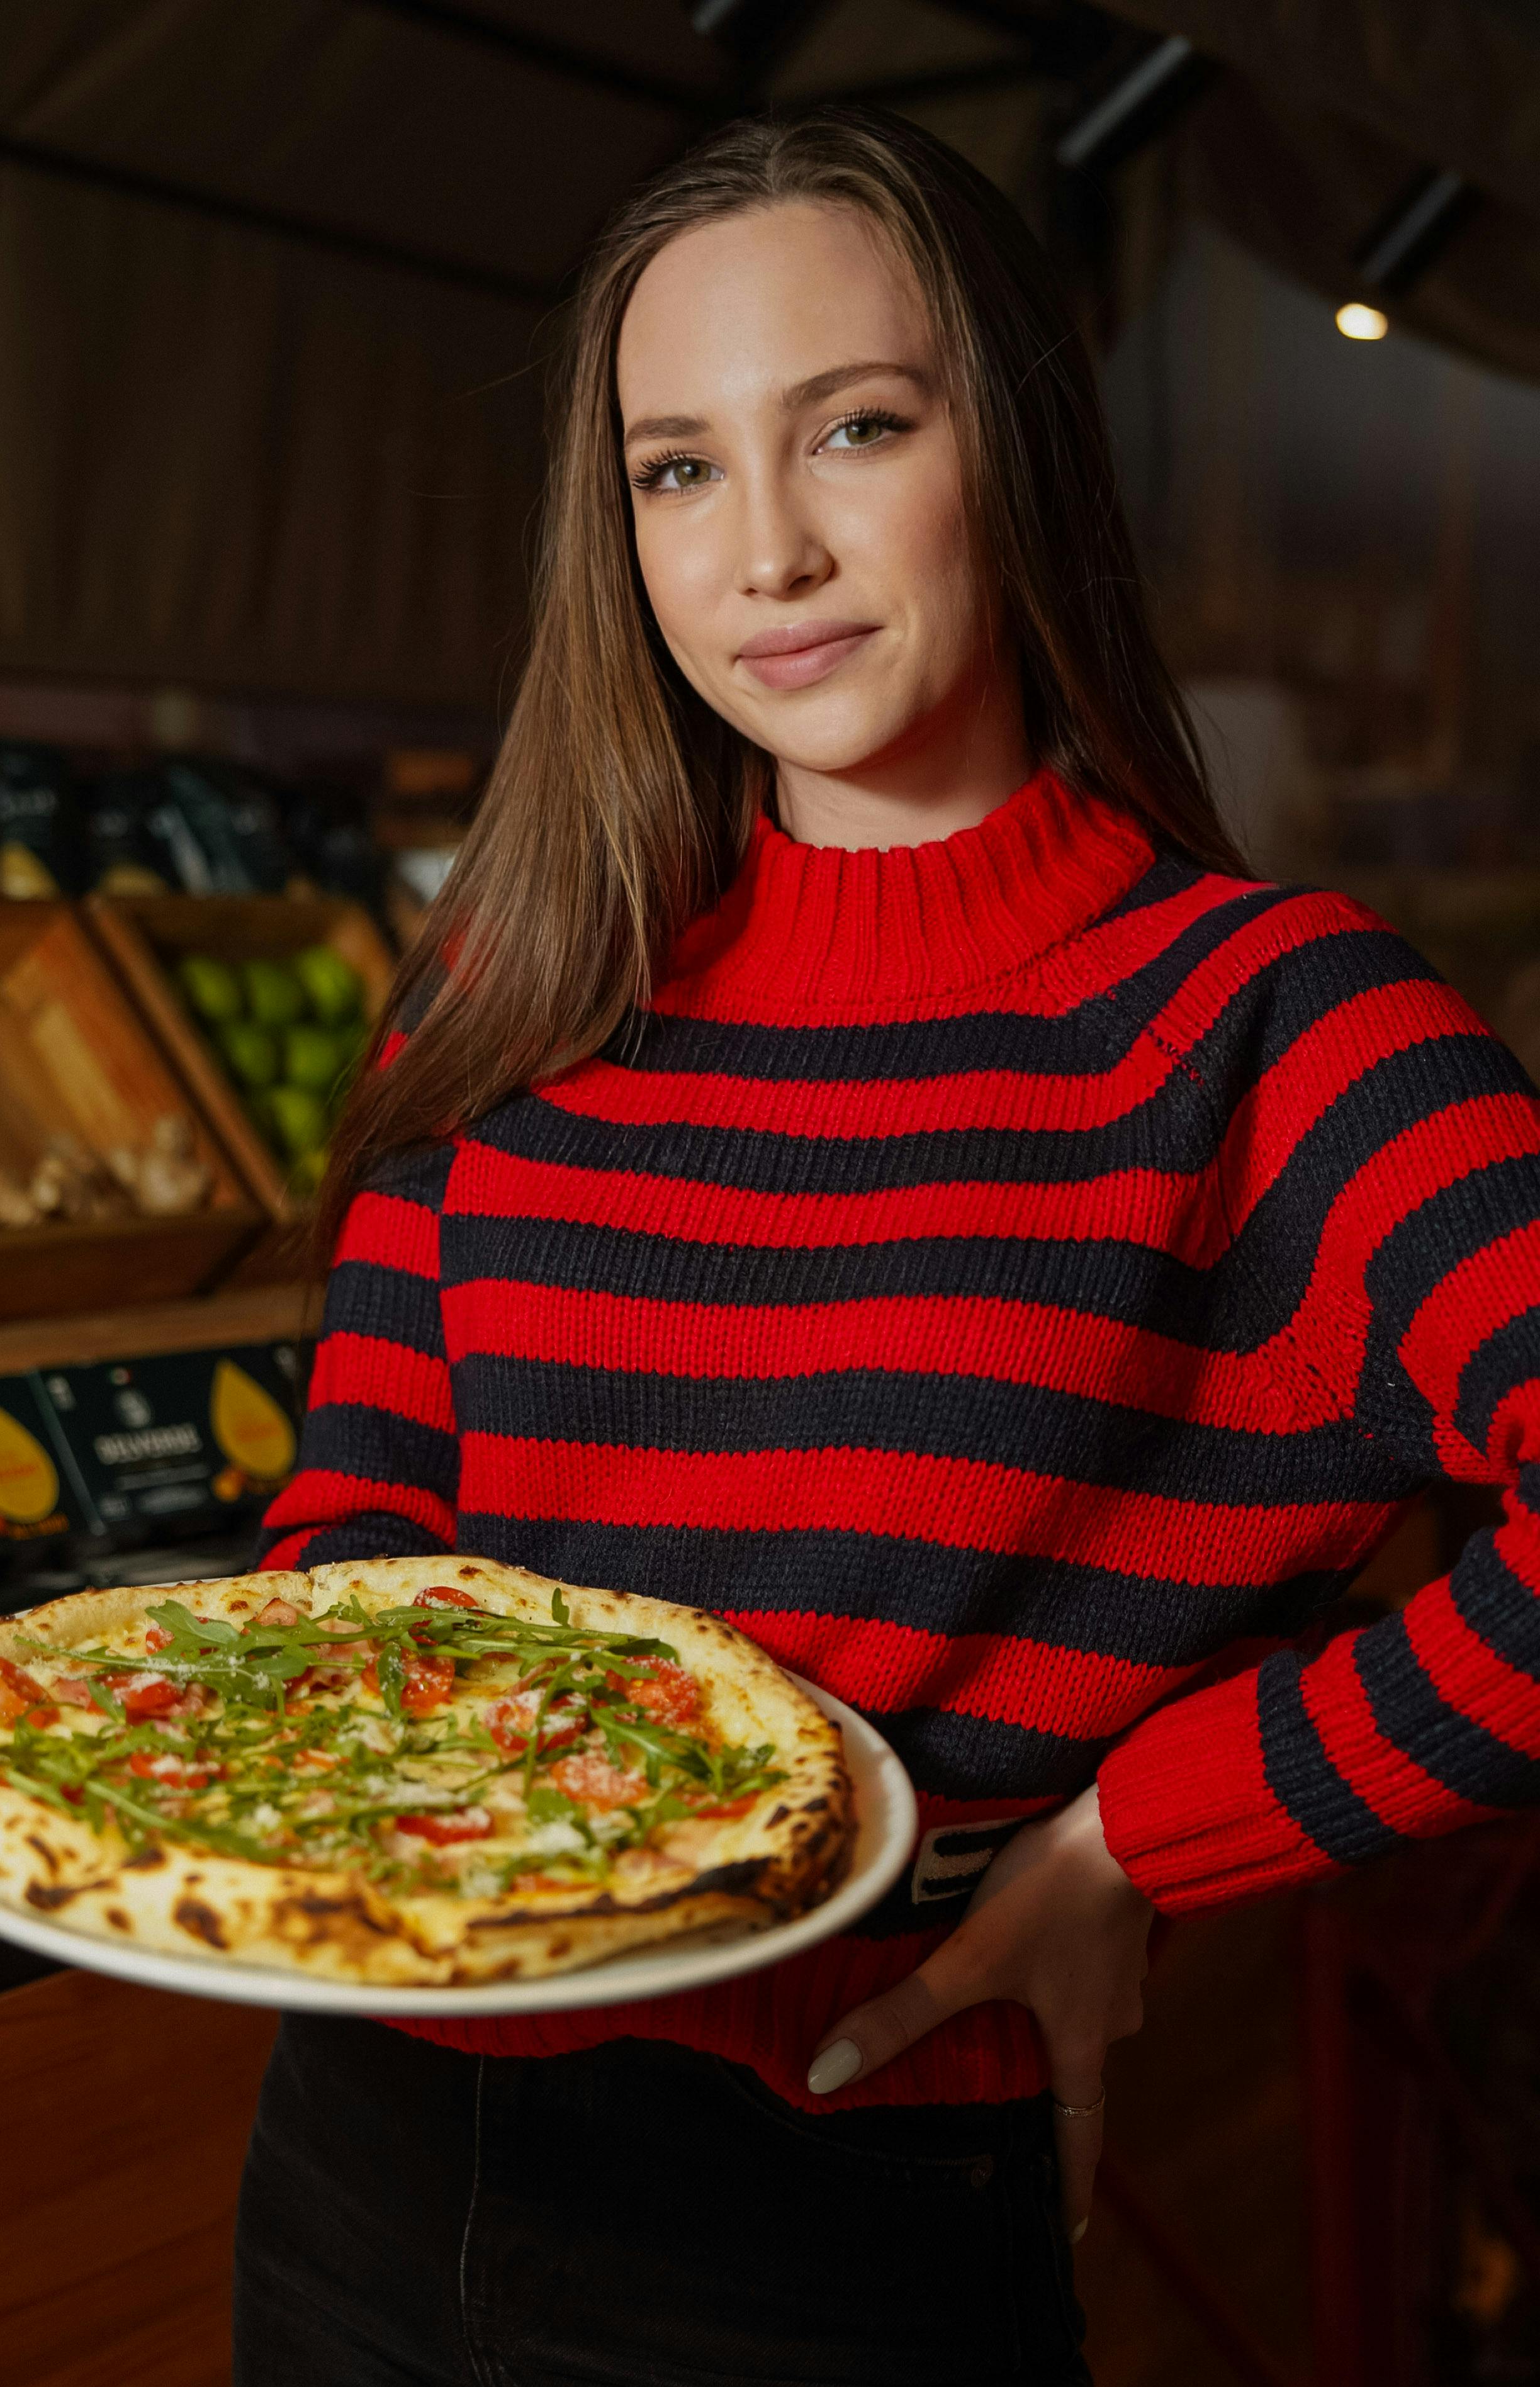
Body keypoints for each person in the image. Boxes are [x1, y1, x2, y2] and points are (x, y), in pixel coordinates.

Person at [234, 107, 1540, 2387]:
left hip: (827, 2203)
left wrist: (1144, 1839)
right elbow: (362, 1535)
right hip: (367, 2150)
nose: (768, 550)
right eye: (676, 469)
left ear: (1011, 448)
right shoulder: (525, 972)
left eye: (855, 426)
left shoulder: (1273, 1036)